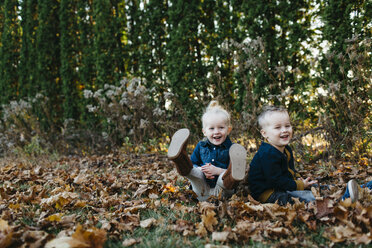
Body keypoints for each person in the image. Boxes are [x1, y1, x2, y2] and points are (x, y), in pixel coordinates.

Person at [167, 100, 247, 201]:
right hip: (201, 190)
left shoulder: (232, 149)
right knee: (194, 172)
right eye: (212, 128)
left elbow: (234, 170)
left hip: (222, 192)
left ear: (228, 130)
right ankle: (179, 158)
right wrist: (202, 170)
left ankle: (231, 177)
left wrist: (217, 171)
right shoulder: (201, 146)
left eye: (221, 128)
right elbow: (194, 163)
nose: (216, 132)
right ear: (204, 131)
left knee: (227, 177)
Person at [248, 105, 318, 205]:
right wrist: (298, 185)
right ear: (264, 133)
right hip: (267, 192)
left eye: (287, 126)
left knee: (314, 187)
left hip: (281, 186)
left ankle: (332, 193)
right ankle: (314, 203)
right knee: (297, 201)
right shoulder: (267, 154)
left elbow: (290, 170)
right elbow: (275, 181)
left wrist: (298, 178)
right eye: (277, 127)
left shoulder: (286, 149)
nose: (284, 130)